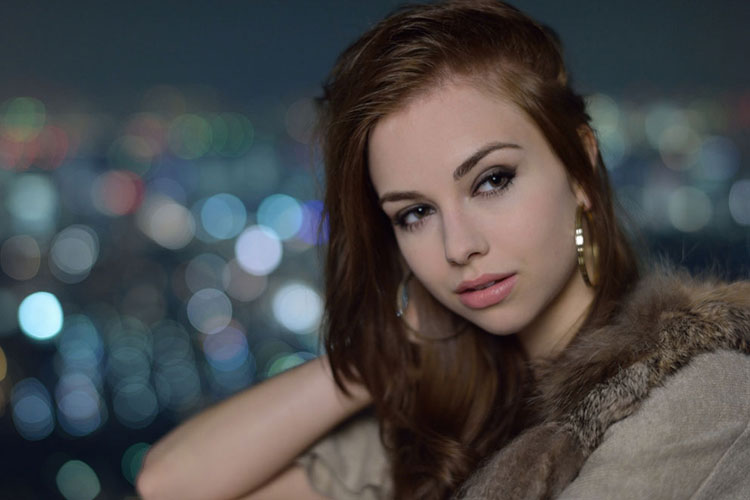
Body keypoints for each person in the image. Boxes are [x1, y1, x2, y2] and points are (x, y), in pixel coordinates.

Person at [136, 1, 750, 499]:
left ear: (581, 170)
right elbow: (172, 483)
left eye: (492, 180)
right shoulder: (464, 408)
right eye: (416, 213)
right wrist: (387, 353)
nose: (459, 247)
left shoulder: (700, 394)